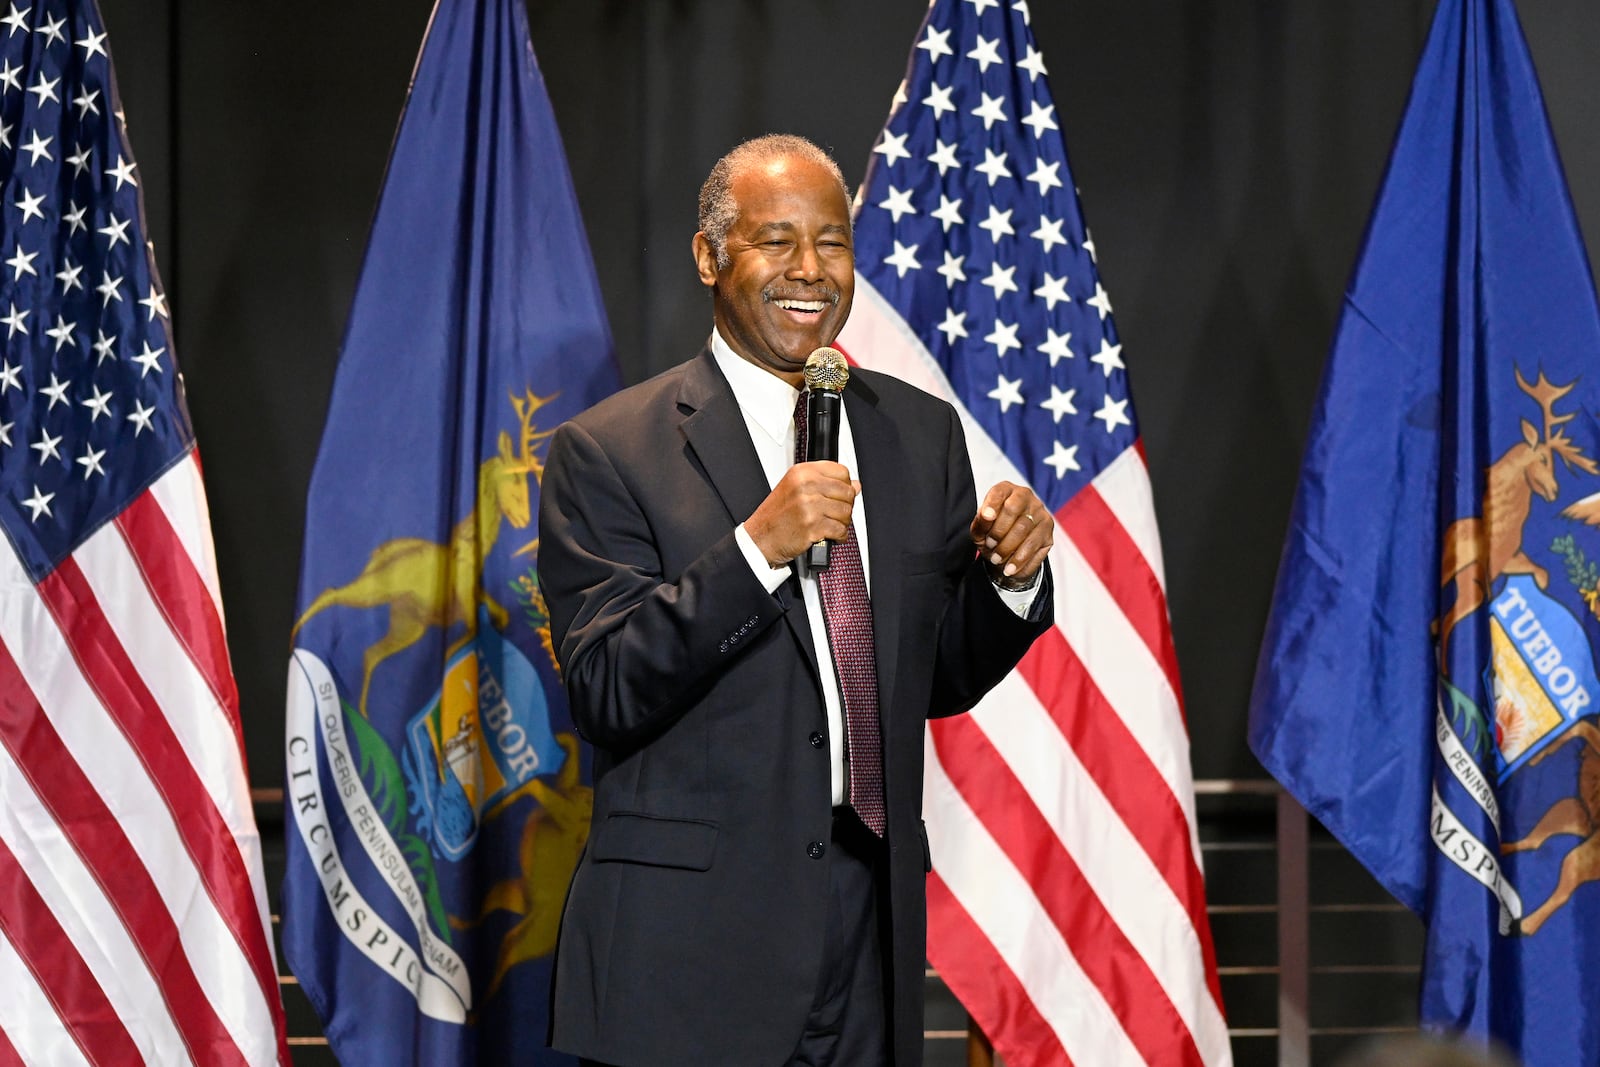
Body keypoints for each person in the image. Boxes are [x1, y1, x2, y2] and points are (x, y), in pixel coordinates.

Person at [537, 133, 1054, 1066]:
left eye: (832, 242)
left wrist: (1010, 580)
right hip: (689, 954)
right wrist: (755, 549)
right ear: (708, 256)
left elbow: (925, 675)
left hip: (866, 938)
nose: (809, 271)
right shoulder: (610, 449)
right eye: (776, 241)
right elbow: (607, 684)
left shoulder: (917, 432)